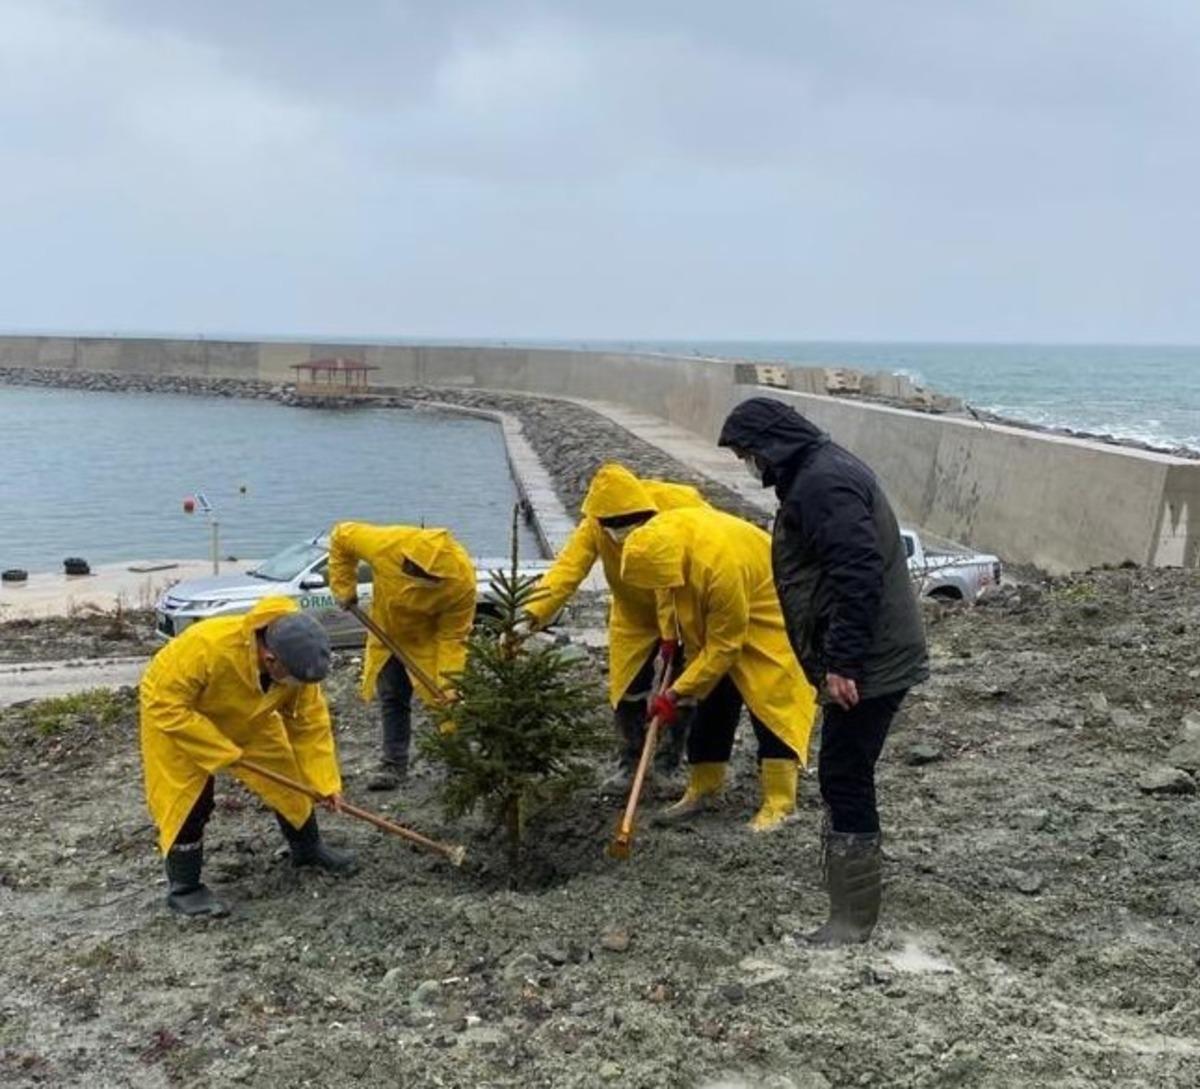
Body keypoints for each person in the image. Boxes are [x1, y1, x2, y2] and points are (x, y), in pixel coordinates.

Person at [718, 396, 929, 944]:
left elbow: (856, 572)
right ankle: (850, 908)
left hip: (870, 658)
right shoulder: (820, 470)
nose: (749, 465)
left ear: (769, 445)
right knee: (844, 769)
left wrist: (843, 662)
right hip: (872, 650)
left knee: (843, 772)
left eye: (747, 454)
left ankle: (851, 920)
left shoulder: (822, 483)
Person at [139, 598, 355, 918]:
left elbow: (309, 725)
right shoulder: (206, 645)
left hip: (251, 718)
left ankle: (308, 848)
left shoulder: (296, 668)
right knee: (188, 802)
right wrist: (220, 751)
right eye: (293, 679)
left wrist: (325, 782)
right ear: (270, 659)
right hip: (180, 722)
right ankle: (185, 888)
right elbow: (164, 703)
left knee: (290, 778)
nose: (298, 686)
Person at [619, 506, 817, 832]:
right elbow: (667, 591)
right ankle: (705, 787)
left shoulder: (720, 567)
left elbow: (725, 647)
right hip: (724, 619)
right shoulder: (660, 542)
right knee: (712, 700)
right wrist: (668, 637)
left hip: (770, 616)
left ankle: (780, 803)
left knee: (773, 706)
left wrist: (675, 693)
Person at [516, 462, 709, 795]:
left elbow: (711, 550)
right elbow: (567, 569)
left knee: (683, 687)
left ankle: (669, 765)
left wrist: (676, 631)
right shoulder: (595, 525)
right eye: (612, 525)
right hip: (633, 615)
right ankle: (631, 763)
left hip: (683, 609)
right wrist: (532, 615)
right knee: (626, 688)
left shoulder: (680, 506)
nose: (620, 531)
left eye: (627, 523)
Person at [328, 522, 475, 790]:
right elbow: (341, 537)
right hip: (386, 633)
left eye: (417, 572)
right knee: (393, 697)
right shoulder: (387, 544)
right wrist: (344, 587)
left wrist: (450, 683)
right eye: (408, 566)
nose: (409, 570)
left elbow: (453, 637)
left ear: (436, 576)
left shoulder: (460, 583)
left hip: (426, 642)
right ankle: (393, 765)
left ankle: (459, 762)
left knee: (445, 700)